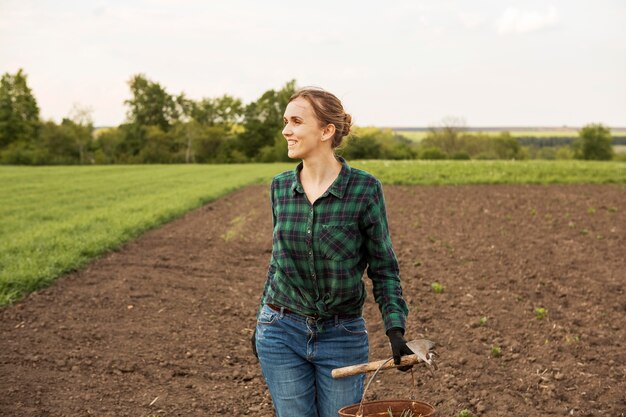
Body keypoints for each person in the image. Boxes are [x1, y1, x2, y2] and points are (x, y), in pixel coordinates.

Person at [251, 87, 413, 417]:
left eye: (296, 121)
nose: (286, 130)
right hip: (280, 331)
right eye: (285, 121)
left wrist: (395, 329)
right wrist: (260, 325)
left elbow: (383, 267)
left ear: (327, 131)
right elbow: (278, 262)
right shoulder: (280, 187)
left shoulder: (364, 189)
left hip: (341, 336)